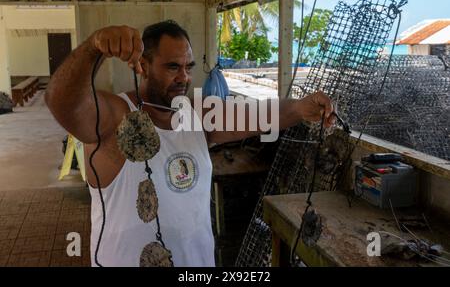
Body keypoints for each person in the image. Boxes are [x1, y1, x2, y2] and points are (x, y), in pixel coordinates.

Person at [45, 20, 335, 267]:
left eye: (188, 66)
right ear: (142, 66)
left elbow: (260, 115)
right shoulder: (115, 116)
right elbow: (61, 103)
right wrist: (93, 49)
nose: (183, 77)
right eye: (173, 67)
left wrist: (299, 108)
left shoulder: (196, 114)